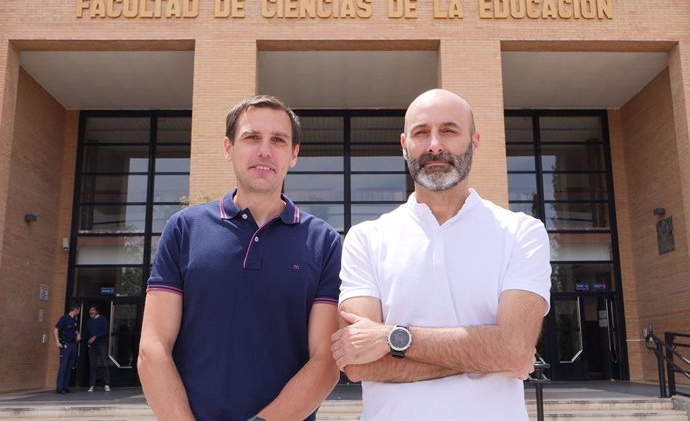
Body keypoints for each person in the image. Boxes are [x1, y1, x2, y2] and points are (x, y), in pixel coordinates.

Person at [330, 89, 552, 420]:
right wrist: (485, 358)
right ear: (404, 144)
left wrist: (393, 337)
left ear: (474, 141)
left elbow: (516, 351)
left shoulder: (520, 233)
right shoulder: (366, 239)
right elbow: (359, 364)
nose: (435, 145)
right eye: (421, 133)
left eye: (448, 130)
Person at [138, 95, 342, 421]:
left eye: (278, 140)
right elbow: (153, 348)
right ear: (228, 148)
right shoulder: (184, 229)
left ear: (294, 155)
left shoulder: (324, 242)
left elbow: (326, 361)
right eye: (251, 138)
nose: (264, 150)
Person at [54, 304, 81, 394]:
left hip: (73, 344)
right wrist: (57, 342)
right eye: (78, 310)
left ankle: (66, 386)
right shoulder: (64, 318)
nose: (79, 312)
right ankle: (59, 387)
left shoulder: (74, 320)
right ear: (75, 309)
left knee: (69, 366)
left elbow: (75, 330)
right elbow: (56, 329)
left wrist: (78, 334)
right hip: (65, 344)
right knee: (63, 366)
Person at [85, 305, 111, 392]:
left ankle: (106, 384)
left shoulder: (102, 319)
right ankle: (92, 385)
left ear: (96, 311)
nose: (91, 312)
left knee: (104, 364)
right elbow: (87, 333)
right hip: (92, 346)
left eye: (92, 310)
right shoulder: (89, 321)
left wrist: (95, 337)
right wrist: (87, 341)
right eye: (90, 311)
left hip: (101, 344)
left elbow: (105, 331)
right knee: (93, 365)